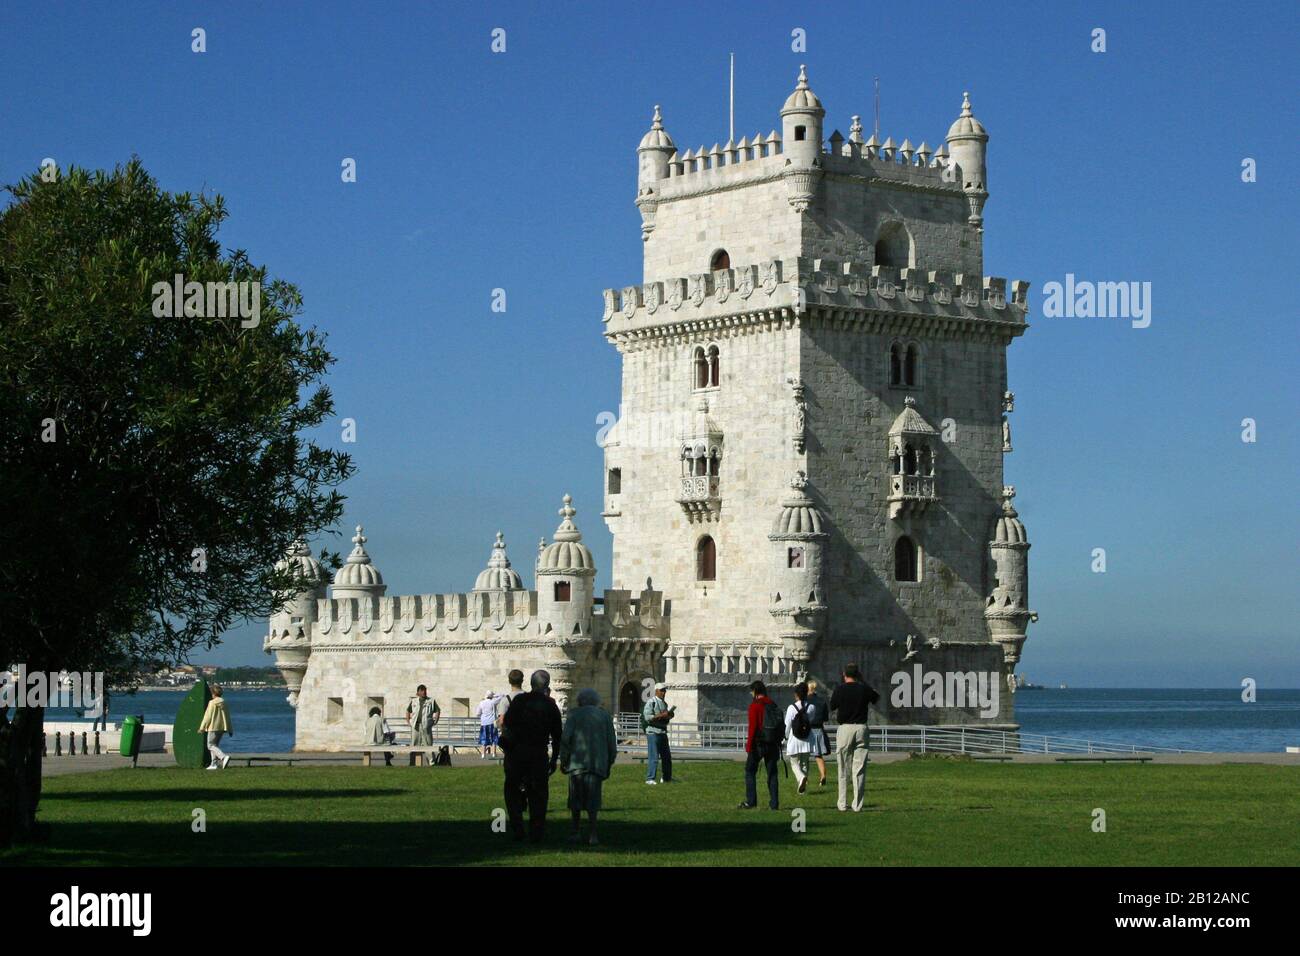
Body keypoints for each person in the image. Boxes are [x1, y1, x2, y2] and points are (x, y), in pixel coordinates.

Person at [500, 669, 563, 843]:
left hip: (517, 753)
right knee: (538, 794)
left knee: (512, 791)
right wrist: (554, 758)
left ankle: (518, 828)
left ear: (531, 684)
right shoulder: (550, 705)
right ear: (547, 686)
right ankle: (536, 832)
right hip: (538, 754)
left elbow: (508, 725)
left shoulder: (520, 700)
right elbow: (557, 735)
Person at [559, 688, 619, 846]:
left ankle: (575, 831)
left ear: (580, 701)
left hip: (577, 762)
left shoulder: (573, 715)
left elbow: (566, 739)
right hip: (597, 763)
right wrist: (610, 762)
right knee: (593, 800)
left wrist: (564, 760)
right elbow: (611, 742)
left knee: (576, 800)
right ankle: (593, 834)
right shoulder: (605, 716)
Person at [830, 663, 880, 812]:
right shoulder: (863, 689)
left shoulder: (840, 689)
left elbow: (832, 706)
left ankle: (842, 803)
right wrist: (863, 682)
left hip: (845, 728)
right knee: (859, 769)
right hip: (861, 728)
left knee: (843, 767)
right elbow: (876, 697)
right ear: (858, 675)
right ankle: (857, 804)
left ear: (844, 675)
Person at [739, 680, 780, 810]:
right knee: (772, 774)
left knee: (750, 771)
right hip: (773, 743)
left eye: (752, 692)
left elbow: (753, 728)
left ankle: (751, 801)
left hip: (758, 744)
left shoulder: (754, 706)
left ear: (755, 692)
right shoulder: (772, 704)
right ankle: (774, 803)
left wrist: (748, 745)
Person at [785, 682, 816, 794]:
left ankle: (800, 777)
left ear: (796, 694)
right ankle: (802, 789)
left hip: (795, 738)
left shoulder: (791, 708)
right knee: (804, 763)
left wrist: (785, 736)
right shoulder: (812, 707)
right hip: (807, 738)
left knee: (794, 763)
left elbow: (787, 724)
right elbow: (810, 721)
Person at [641, 682, 674, 785]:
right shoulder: (651, 702)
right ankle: (650, 778)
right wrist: (662, 715)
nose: (664, 693)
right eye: (662, 690)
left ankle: (666, 778)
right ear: (656, 691)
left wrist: (669, 716)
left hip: (662, 732)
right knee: (654, 757)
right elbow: (647, 717)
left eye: (665, 690)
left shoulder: (665, 704)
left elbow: (665, 719)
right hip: (653, 732)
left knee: (667, 757)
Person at [197, 684, 233, 770]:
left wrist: (202, 728)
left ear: (213, 693)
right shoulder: (224, 702)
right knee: (215, 745)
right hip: (222, 728)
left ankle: (223, 757)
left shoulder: (212, 703)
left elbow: (207, 716)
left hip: (213, 727)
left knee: (210, 745)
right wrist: (230, 729)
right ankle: (214, 764)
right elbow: (228, 717)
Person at [406, 684, 440, 766]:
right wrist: (408, 721)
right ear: (418, 692)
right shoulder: (414, 701)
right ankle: (412, 763)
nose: (424, 692)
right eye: (422, 690)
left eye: (425, 690)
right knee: (414, 744)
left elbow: (437, 710)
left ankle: (432, 763)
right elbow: (408, 711)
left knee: (428, 744)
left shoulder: (431, 701)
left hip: (426, 726)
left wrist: (435, 720)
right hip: (416, 726)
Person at [805, 679, 831, 787]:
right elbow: (825, 718)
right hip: (818, 729)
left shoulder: (805, 701)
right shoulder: (822, 701)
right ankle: (822, 776)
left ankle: (804, 779)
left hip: (807, 729)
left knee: (804, 757)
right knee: (818, 756)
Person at [477, 691, 500, 758]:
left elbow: (478, 713)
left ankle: (483, 754)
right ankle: (493, 753)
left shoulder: (481, 703)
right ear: (491, 696)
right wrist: (495, 695)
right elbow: (502, 696)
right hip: (492, 722)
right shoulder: (493, 702)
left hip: (484, 722)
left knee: (483, 737)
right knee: (494, 737)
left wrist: (482, 716)